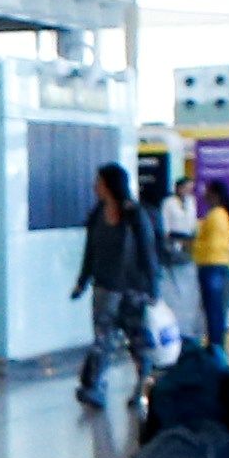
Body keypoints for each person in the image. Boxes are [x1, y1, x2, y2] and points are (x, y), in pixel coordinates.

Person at [71, 159, 160, 410]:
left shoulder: (134, 215)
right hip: (104, 287)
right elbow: (90, 251)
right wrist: (82, 281)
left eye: (98, 182)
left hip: (132, 289)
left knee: (137, 340)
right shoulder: (97, 214)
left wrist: (152, 287)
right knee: (102, 339)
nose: (94, 187)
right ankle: (94, 387)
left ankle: (143, 384)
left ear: (110, 185)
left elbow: (147, 251)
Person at [187, 179, 229, 348]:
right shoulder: (221, 214)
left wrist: (193, 245)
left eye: (207, 191)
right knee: (215, 309)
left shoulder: (216, 215)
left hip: (212, 265)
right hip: (217, 265)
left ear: (215, 194)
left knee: (213, 310)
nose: (204, 194)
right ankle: (216, 345)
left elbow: (212, 244)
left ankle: (215, 346)